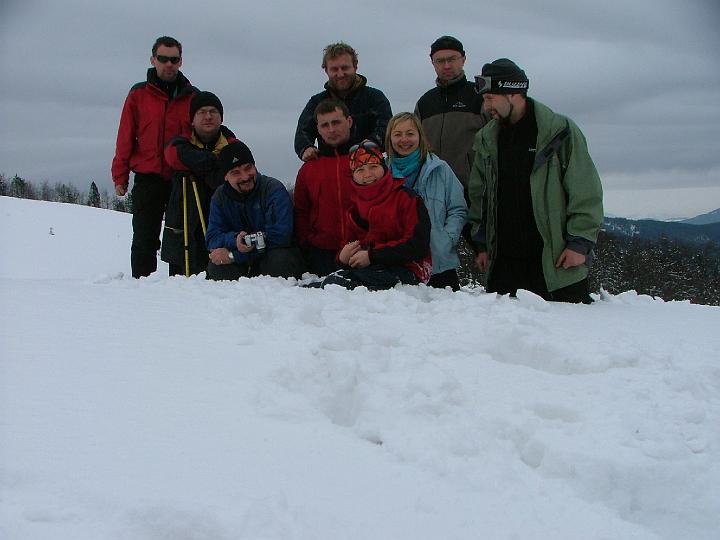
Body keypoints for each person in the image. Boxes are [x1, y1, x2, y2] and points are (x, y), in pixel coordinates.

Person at [467, 59, 604, 303]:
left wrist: (579, 243)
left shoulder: (559, 132)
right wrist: (482, 245)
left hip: (555, 266)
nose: (486, 106)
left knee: (567, 326)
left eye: (490, 98)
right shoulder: (487, 138)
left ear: (513, 93)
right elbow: (480, 196)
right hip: (504, 268)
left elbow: (585, 190)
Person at [111, 36, 197, 278]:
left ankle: (181, 287)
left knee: (180, 237)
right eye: (163, 59)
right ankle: (141, 288)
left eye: (174, 59)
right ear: (153, 60)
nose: (169, 64)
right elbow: (125, 136)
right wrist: (120, 176)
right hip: (148, 177)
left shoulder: (192, 96)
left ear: (181, 62)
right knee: (144, 238)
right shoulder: (138, 94)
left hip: (181, 179)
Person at [313, 141, 432, 290]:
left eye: (373, 167)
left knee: (339, 284)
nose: (368, 174)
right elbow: (349, 245)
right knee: (330, 284)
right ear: (353, 175)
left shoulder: (407, 199)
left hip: (409, 269)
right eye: (360, 170)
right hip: (370, 269)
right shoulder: (354, 209)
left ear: (384, 167)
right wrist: (342, 258)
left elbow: (418, 245)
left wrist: (372, 256)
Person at [386, 112, 467, 291]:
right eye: (397, 134)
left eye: (410, 133)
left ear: (420, 136)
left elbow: (458, 209)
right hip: (395, 262)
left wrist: (446, 239)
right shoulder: (381, 171)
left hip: (438, 264)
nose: (404, 140)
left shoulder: (440, 169)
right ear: (389, 138)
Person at [205, 141, 305, 281]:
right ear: (225, 176)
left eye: (248, 168)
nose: (245, 177)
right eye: (236, 173)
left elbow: (280, 237)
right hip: (241, 261)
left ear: (254, 165)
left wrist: (235, 255)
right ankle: (233, 295)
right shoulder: (220, 197)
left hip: (272, 256)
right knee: (217, 266)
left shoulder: (273, 190)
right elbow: (212, 238)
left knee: (279, 260)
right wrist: (235, 240)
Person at [161, 91, 236, 276]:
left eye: (213, 111)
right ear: (192, 120)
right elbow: (172, 156)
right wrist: (212, 162)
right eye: (202, 112)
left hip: (221, 223)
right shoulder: (180, 143)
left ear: (221, 118)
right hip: (184, 223)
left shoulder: (233, 146)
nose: (208, 116)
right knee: (181, 278)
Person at [294, 42, 392, 162]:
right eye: (334, 69)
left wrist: (373, 141)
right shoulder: (316, 103)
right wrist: (306, 148)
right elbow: (303, 132)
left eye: (345, 68)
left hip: (367, 166)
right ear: (326, 70)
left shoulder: (375, 98)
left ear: (355, 67)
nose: (340, 74)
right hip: (329, 165)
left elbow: (387, 127)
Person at [414, 36, 486, 197]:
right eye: (440, 61)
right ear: (433, 63)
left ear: (463, 59)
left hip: (473, 191)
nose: (446, 65)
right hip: (431, 191)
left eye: (452, 59)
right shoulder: (425, 102)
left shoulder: (480, 97)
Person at [294, 98, 354, 276]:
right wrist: (306, 246)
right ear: (318, 129)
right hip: (321, 255)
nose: (331, 130)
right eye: (325, 125)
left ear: (349, 121)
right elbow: (301, 212)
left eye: (336, 122)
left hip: (361, 251)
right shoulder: (309, 169)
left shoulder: (365, 162)